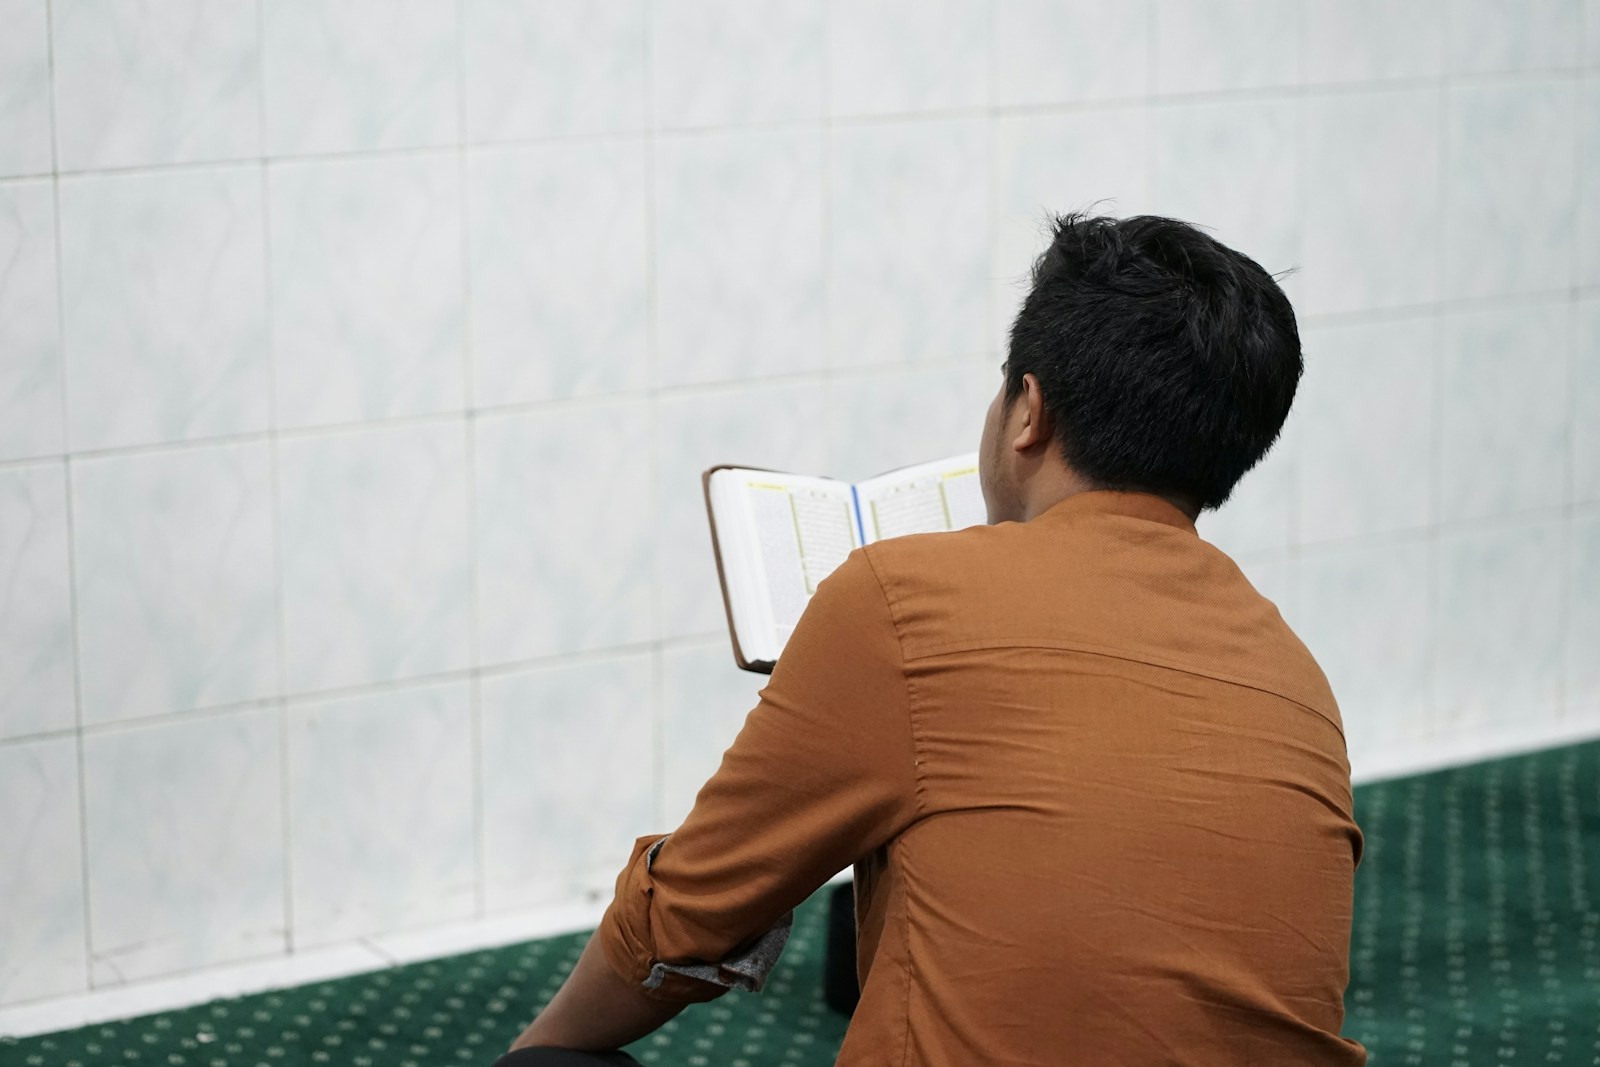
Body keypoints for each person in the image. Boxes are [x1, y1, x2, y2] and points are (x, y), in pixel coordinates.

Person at [495, 213, 1367, 1065]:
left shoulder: (904, 599)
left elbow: (687, 915)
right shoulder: (1295, 676)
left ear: (1028, 410)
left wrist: (535, 1052)